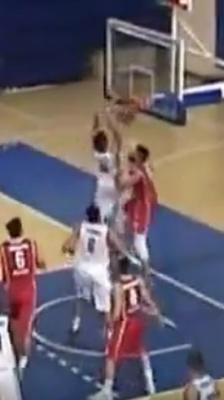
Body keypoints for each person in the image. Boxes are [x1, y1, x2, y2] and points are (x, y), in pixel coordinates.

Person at [89, 257, 162, 400]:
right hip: (138, 321)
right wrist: (157, 314)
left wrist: (108, 325)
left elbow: (117, 311)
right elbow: (147, 298)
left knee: (111, 355)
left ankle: (107, 390)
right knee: (141, 351)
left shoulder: (118, 286)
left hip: (125, 323)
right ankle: (150, 384)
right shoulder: (138, 280)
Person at [0, 217, 45, 374]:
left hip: (12, 291)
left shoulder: (2, 248)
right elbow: (41, 262)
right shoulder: (31, 244)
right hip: (28, 290)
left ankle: (14, 355)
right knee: (26, 329)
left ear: (8, 232)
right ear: (21, 230)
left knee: (14, 326)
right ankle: (23, 360)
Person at [62, 204, 127, 335]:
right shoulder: (106, 231)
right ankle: (109, 332)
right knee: (106, 305)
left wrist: (69, 250)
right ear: (99, 216)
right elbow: (120, 247)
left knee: (81, 297)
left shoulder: (81, 226)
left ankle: (76, 322)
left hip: (81, 269)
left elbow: (67, 245)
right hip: (98, 271)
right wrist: (118, 251)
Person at [118, 144, 157, 278]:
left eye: (135, 154)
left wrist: (123, 170)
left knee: (139, 240)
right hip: (136, 205)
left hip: (141, 210)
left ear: (140, 157)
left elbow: (122, 185)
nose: (133, 154)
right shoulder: (143, 169)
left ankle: (146, 269)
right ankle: (125, 258)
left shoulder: (140, 173)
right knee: (126, 232)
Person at [91, 112, 121, 225]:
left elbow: (94, 134)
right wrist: (110, 122)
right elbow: (118, 138)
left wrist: (96, 121)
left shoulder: (96, 154)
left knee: (100, 210)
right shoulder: (110, 156)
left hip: (101, 185)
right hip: (113, 185)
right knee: (114, 211)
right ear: (106, 143)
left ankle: (100, 225)